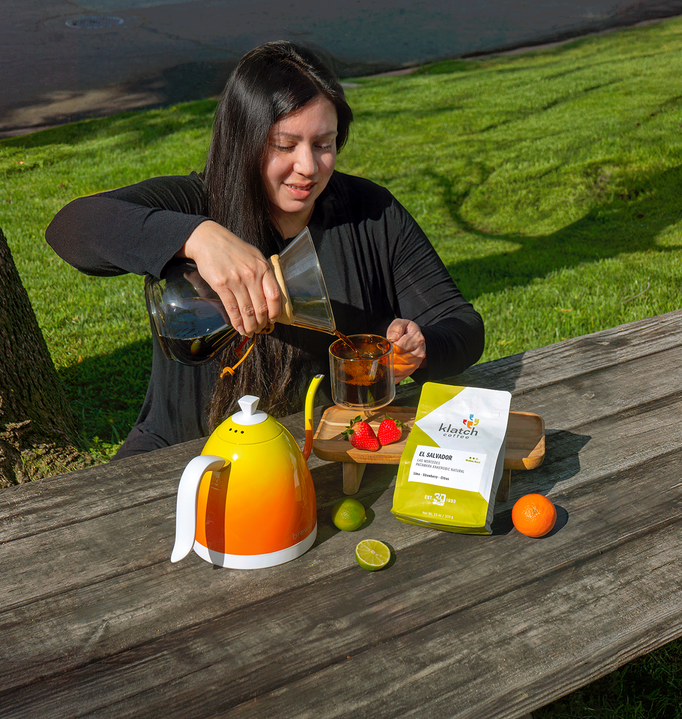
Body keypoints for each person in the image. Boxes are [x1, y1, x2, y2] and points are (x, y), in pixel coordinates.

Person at [47, 41, 484, 458]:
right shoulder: (198, 203)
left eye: (324, 144)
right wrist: (197, 237)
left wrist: (422, 348)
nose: (308, 167)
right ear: (245, 142)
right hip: (183, 456)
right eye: (285, 146)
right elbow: (70, 228)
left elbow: (462, 326)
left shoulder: (371, 213)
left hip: (323, 449)